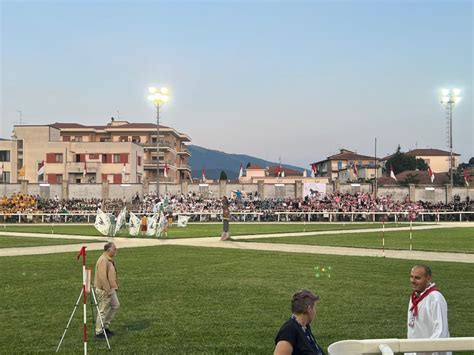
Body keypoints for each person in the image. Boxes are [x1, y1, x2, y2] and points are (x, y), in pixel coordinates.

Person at [406, 265, 451, 355]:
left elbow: (440, 331)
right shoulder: (414, 296)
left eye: (417, 278)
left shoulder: (435, 298)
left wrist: (427, 351)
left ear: (428, 278)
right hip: (415, 350)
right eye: (411, 277)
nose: (413, 281)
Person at [274, 289, 325, 355]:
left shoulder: (304, 326)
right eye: (314, 308)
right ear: (309, 309)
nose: (315, 312)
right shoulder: (289, 330)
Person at [94, 242, 120, 338]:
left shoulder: (108, 259)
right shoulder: (103, 260)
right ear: (109, 250)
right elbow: (102, 276)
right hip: (104, 289)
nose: (116, 250)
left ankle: (105, 325)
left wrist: (114, 286)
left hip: (110, 288)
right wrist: (107, 289)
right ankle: (99, 331)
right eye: (114, 249)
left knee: (115, 305)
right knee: (103, 310)